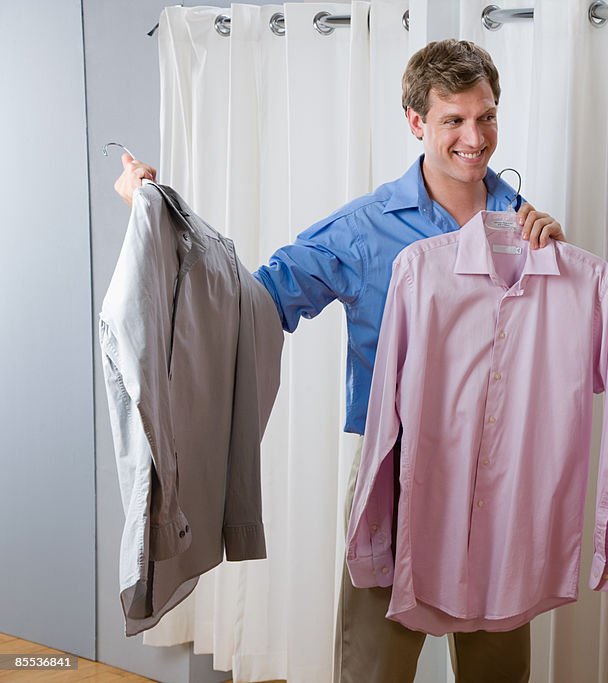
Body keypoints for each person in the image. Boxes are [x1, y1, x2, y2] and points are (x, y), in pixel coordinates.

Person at [115, 39, 564, 683]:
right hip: (399, 466)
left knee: (498, 655)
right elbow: (251, 303)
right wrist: (155, 218)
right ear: (415, 122)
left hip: (501, 466)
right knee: (376, 658)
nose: (476, 136)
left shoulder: (520, 222)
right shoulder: (364, 229)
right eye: (454, 120)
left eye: (486, 116)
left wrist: (554, 264)